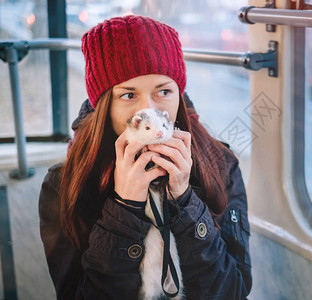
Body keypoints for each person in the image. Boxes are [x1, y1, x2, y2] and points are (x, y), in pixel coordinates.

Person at [39, 15, 251, 299]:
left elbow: (234, 292)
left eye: (163, 91)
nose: (148, 110)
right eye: (128, 95)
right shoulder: (65, 183)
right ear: (104, 104)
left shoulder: (220, 164)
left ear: (179, 94)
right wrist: (124, 209)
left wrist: (186, 202)